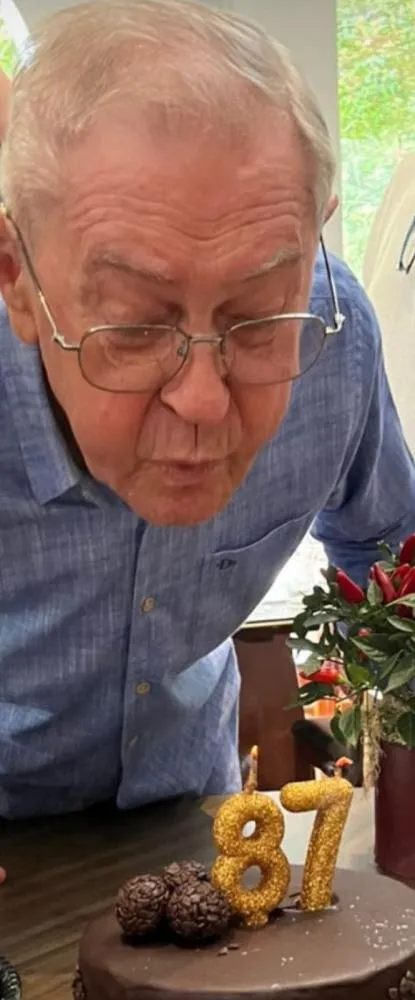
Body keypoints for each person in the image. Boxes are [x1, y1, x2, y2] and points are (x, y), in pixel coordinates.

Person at [0, 0, 414, 822]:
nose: (201, 401)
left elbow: (390, 556)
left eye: (255, 318)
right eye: (133, 326)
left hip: (190, 811)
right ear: (16, 277)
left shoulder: (332, 336)